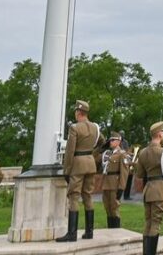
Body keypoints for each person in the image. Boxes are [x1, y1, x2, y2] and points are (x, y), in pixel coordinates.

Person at [57, 99, 103, 242]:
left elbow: (70, 151)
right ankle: (89, 232)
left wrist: (67, 170)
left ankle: (72, 234)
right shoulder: (95, 128)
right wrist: (92, 154)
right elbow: (102, 141)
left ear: (78, 112)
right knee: (88, 195)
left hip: (78, 164)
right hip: (90, 163)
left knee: (74, 196)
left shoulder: (75, 128)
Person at [135, 121, 163, 255]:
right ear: (159, 134)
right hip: (159, 190)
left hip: (148, 190)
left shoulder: (143, 152)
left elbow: (140, 174)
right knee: (156, 224)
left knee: (148, 223)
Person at [101, 132, 130, 229]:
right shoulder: (108, 153)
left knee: (114, 209)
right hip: (106, 183)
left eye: (113, 140)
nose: (110, 142)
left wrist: (121, 188)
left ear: (119, 141)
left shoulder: (122, 154)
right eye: (110, 140)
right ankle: (110, 230)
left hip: (115, 184)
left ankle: (116, 231)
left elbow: (124, 173)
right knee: (107, 208)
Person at [120, 131, 134, 200]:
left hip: (126, 161)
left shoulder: (125, 142)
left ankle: (127, 195)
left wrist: (132, 154)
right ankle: (118, 196)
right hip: (120, 162)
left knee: (129, 178)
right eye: (121, 134)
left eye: (123, 134)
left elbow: (127, 150)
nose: (122, 135)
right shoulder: (116, 142)